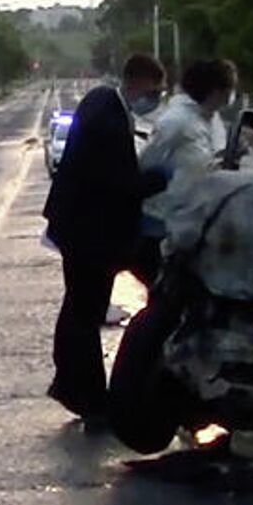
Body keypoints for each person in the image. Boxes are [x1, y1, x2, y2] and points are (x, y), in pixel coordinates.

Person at [41, 54, 169, 421]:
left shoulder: (102, 103)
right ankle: (87, 397)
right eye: (154, 90)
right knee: (84, 313)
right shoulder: (108, 116)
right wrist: (159, 179)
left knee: (80, 312)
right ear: (139, 81)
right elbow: (118, 183)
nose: (155, 98)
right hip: (91, 233)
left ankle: (78, 390)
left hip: (83, 229)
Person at [132, 58, 239, 283]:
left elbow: (206, 164)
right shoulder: (177, 121)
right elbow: (147, 163)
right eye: (229, 88)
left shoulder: (211, 120)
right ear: (215, 91)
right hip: (164, 223)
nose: (231, 95)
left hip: (197, 222)